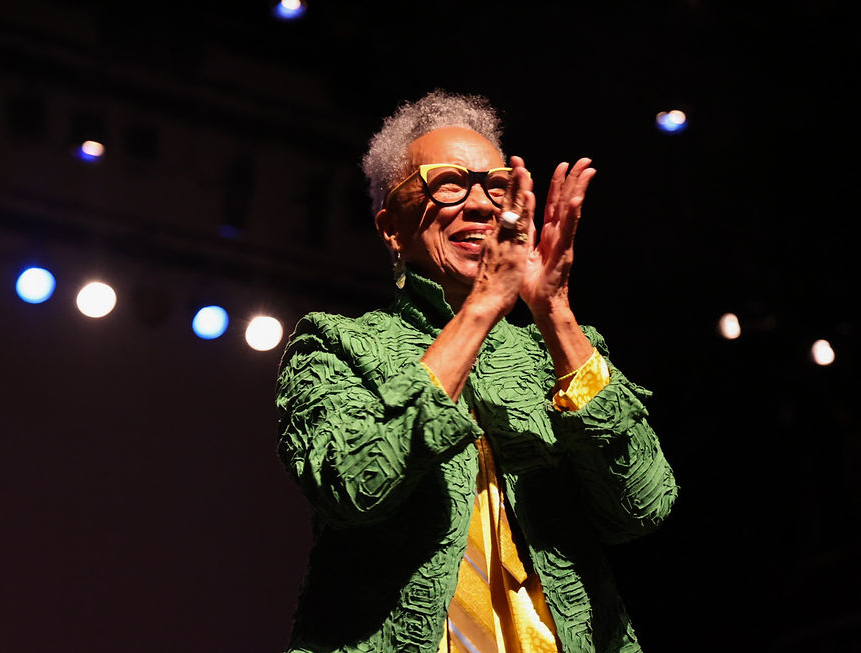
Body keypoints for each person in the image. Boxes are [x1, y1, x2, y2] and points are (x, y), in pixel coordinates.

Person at [275, 89, 678, 653]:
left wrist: (555, 310)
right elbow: (352, 488)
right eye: (449, 183)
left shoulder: (555, 351)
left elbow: (643, 504)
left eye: (497, 186)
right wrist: (482, 306)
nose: (484, 205)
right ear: (391, 225)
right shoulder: (337, 344)